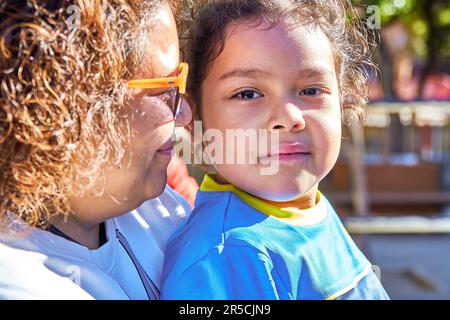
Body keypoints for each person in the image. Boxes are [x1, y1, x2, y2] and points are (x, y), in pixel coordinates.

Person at [161, 0, 389, 300]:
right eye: (248, 93)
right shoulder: (226, 255)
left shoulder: (306, 208)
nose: (289, 118)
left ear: (343, 99)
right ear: (194, 120)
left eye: (311, 91)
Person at [0, 0, 192, 299]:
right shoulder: (20, 284)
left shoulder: (155, 209)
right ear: (68, 103)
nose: (185, 115)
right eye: (167, 89)